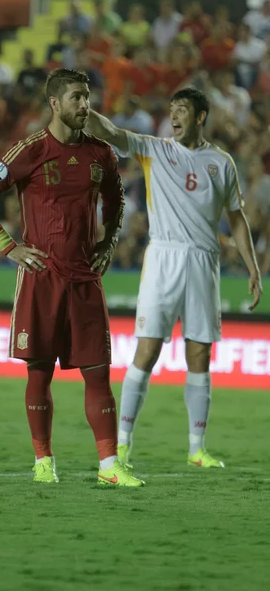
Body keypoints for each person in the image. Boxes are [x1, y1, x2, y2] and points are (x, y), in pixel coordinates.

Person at [0, 68, 144, 488]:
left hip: (85, 278)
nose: (85, 105)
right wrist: (8, 246)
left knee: (98, 372)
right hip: (41, 276)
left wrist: (109, 241)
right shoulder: (30, 149)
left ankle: (108, 467)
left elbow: (115, 200)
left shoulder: (101, 154)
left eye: (88, 97)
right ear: (55, 103)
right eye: (77, 98)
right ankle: (43, 461)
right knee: (39, 372)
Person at [87, 87, 262, 469]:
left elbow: (236, 218)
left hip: (204, 262)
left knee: (200, 353)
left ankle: (197, 448)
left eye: (183, 110)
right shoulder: (155, 149)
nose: (176, 116)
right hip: (164, 257)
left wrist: (253, 269)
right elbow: (114, 133)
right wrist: (86, 111)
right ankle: (122, 443)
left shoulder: (222, 163)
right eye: (172, 110)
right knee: (146, 351)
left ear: (201, 116)